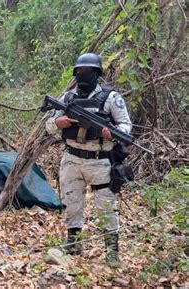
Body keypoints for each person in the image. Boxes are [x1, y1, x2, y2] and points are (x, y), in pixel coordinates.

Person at [45, 53, 132, 268]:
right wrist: (59, 122)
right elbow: (48, 126)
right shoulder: (67, 98)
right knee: (72, 203)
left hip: (100, 160)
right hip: (72, 159)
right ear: (76, 73)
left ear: (97, 74)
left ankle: (112, 251)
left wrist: (113, 133)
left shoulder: (111, 98)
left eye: (90, 72)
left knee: (106, 207)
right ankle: (73, 243)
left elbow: (125, 125)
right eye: (81, 71)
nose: (85, 75)